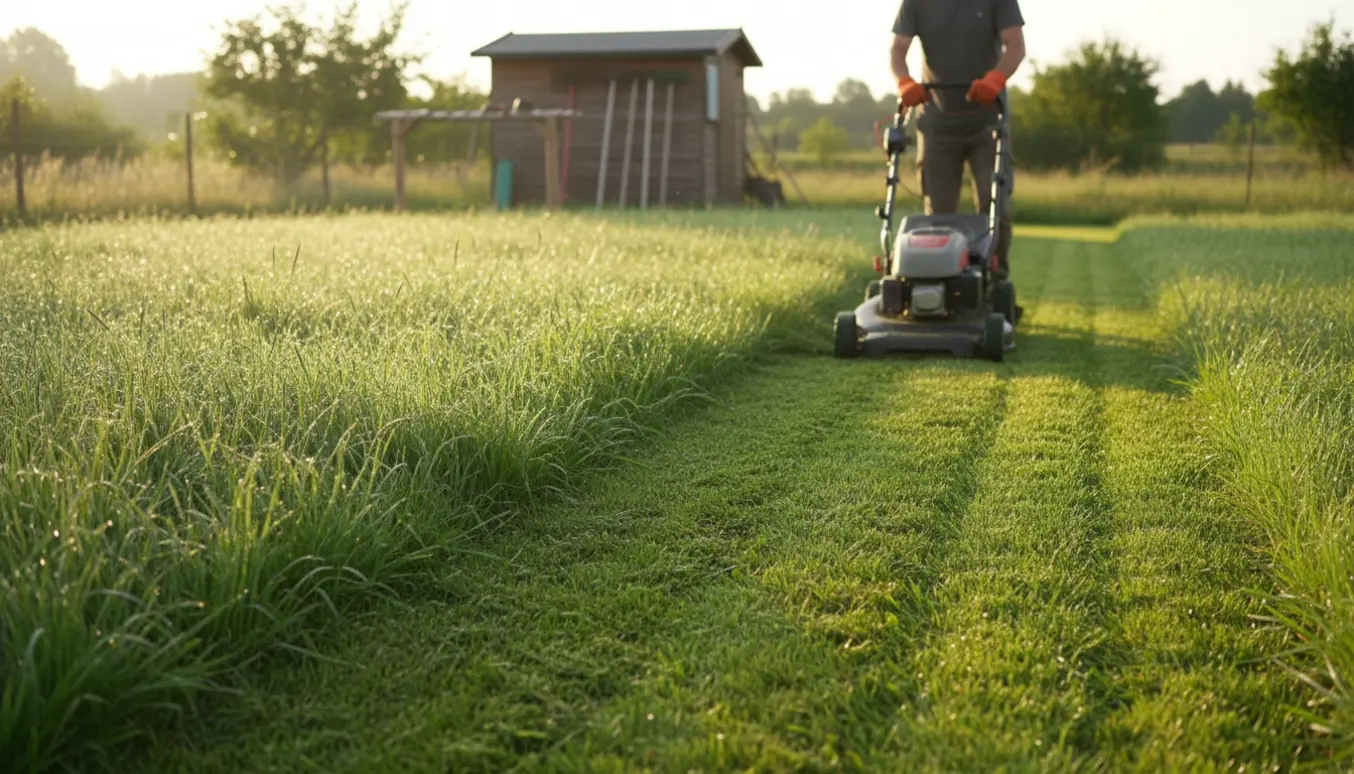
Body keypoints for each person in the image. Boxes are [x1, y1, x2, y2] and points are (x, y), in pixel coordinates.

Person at [890, 0, 1025, 281]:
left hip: (987, 118)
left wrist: (996, 78)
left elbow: (1015, 45)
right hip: (937, 120)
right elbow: (898, 49)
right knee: (938, 213)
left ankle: (995, 283)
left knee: (994, 203)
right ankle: (937, 281)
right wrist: (904, 82)